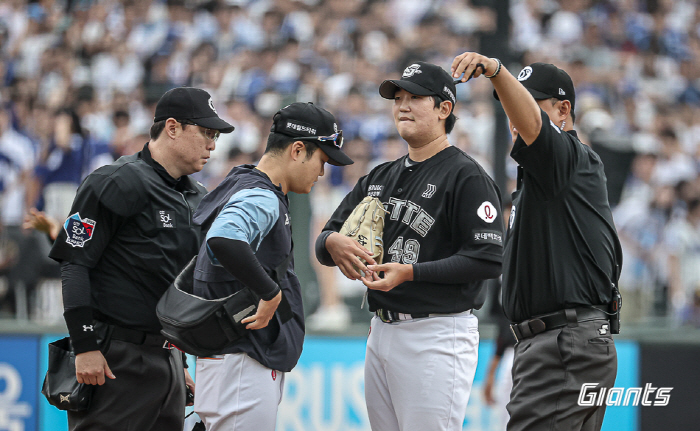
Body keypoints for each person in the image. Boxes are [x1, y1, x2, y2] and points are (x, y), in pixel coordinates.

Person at [315, 61, 505, 431]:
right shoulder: (379, 176)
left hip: (436, 333)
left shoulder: (467, 176)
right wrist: (333, 240)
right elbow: (325, 243)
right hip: (381, 329)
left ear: (444, 109)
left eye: (415, 97)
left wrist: (411, 273)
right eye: (397, 97)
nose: (402, 105)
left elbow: (488, 258)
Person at [450, 53, 623, 431]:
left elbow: (538, 130)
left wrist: (496, 71)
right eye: (514, 104)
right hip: (561, 340)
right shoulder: (542, 180)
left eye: (529, 103)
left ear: (563, 110)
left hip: (563, 342)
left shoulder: (570, 157)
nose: (515, 116)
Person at [48, 87, 235, 431]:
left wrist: (178, 362)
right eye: (206, 132)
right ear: (173, 127)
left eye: (215, 136)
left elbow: (177, 285)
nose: (212, 144)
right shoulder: (115, 180)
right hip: (115, 357)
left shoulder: (198, 196)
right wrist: (84, 345)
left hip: (167, 359)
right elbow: (74, 264)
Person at [192, 102, 353, 431]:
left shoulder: (240, 183)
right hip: (243, 363)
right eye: (321, 159)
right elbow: (223, 240)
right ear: (297, 150)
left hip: (230, 358)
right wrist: (270, 293)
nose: (322, 172)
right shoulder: (261, 195)